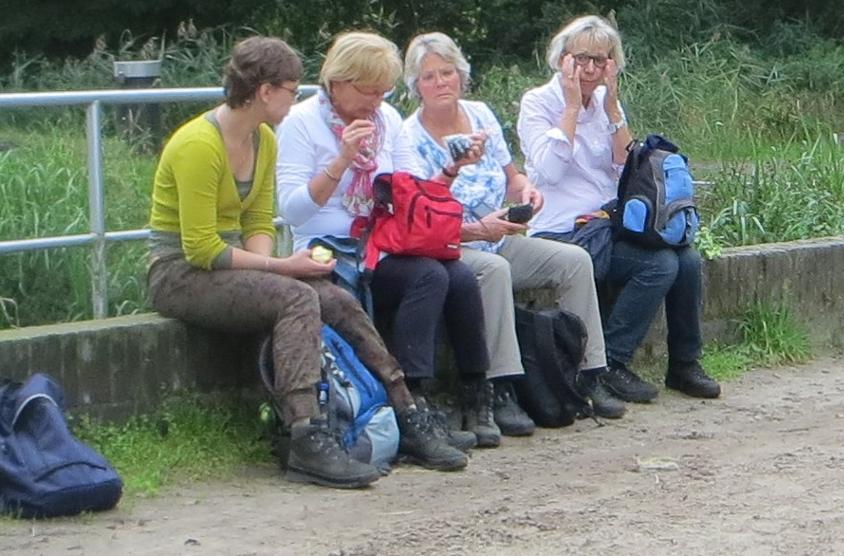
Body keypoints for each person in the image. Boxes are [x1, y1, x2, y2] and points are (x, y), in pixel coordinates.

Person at [146, 36, 467, 490]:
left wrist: (267, 268)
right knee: (296, 296)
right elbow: (200, 248)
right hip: (178, 272)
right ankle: (306, 433)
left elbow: (258, 220)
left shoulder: (262, 140)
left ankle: (405, 408)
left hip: (228, 263)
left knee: (332, 296)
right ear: (264, 92)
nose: (297, 98)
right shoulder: (198, 144)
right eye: (291, 89)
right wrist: (278, 270)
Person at [276, 31, 501, 448]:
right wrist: (342, 160)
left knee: (461, 276)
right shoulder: (301, 124)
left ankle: (476, 392)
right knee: (428, 276)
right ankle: (413, 403)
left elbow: (411, 193)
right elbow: (293, 211)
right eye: (368, 92)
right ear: (338, 82)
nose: (375, 102)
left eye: (383, 93)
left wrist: (451, 170)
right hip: (329, 245)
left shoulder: (388, 122)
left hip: (382, 241)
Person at [398, 31, 625, 421]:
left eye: (447, 73)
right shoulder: (408, 138)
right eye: (429, 77)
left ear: (461, 76)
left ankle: (588, 373)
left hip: (498, 233)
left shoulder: (480, 115)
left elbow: (511, 176)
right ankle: (500, 386)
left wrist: (526, 191)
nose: (440, 83)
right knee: (494, 269)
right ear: (415, 86)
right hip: (451, 243)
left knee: (573, 261)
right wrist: (476, 229)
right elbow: (419, 219)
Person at [516, 15, 721, 403]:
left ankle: (684, 363)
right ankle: (609, 362)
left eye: (601, 60)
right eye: (581, 59)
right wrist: (573, 108)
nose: (590, 69)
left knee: (687, 259)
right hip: (564, 226)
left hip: (607, 222)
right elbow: (550, 170)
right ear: (563, 59)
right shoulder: (538, 103)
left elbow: (627, 169)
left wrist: (611, 110)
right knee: (657, 265)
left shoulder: (607, 104)